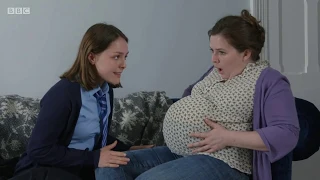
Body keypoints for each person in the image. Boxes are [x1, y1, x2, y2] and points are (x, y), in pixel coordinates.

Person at [94, 10, 300, 180]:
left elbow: (287, 133)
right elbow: (191, 98)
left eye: (221, 52)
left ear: (246, 53)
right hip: (183, 152)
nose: (213, 59)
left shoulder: (270, 80)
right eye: (212, 51)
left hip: (226, 161)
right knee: (110, 167)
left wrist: (227, 136)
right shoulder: (214, 72)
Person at [11, 23, 152, 180]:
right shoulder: (64, 94)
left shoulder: (105, 91)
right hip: (44, 172)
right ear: (92, 57)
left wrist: (130, 148)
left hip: (78, 170)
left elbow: (94, 135)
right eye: (116, 56)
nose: (124, 64)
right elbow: (39, 150)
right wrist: (94, 158)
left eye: (125, 57)